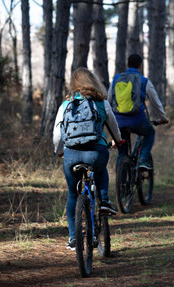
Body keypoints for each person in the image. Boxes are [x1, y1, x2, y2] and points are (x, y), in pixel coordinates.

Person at [53, 67, 122, 251]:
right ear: (93, 82)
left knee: (73, 194)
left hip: (71, 155)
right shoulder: (102, 103)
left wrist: (60, 151)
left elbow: (57, 135)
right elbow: (114, 128)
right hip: (96, 152)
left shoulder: (66, 105)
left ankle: (73, 238)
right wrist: (118, 141)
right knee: (100, 170)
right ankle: (105, 201)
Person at [107, 54, 169, 170]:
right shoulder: (144, 81)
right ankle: (143, 159)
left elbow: (108, 101)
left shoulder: (116, 79)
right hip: (137, 120)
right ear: (140, 66)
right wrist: (163, 117)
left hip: (118, 122)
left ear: (127, 65)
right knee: (150, 133)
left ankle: (120, 183)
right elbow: (156, 102)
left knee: (122, 153)